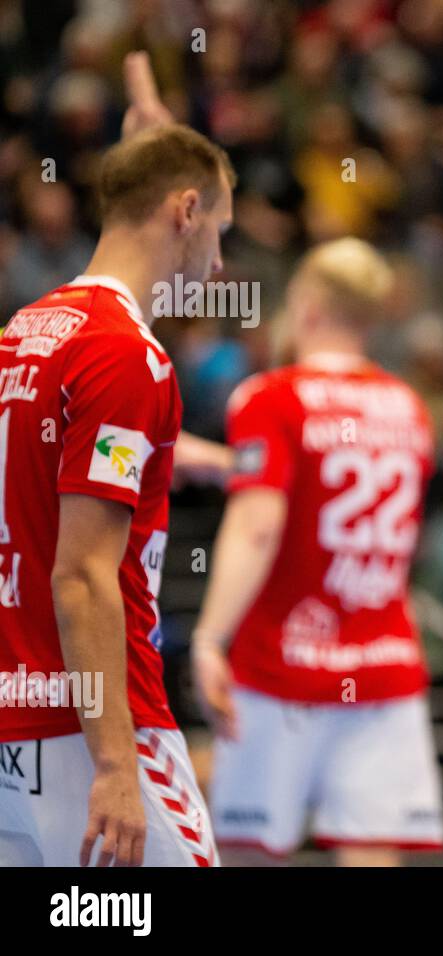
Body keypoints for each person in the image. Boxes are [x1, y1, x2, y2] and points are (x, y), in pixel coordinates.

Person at [0, 56, 232, 866]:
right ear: (187, 210)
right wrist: (114, 765)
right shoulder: (127, 355)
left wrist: (211, 461)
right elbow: (83, 575)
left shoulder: (25, 332)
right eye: (221, 230)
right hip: (97, 723)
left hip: (14, 726)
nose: (220, 265)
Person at [190, 239, 443, 865]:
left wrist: (208, 637)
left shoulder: (269, 396)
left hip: (280, 666)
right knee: (371, 854)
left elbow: (258, 525)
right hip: (384, 665)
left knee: (250, 851)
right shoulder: (409, 407)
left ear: (305, 305)